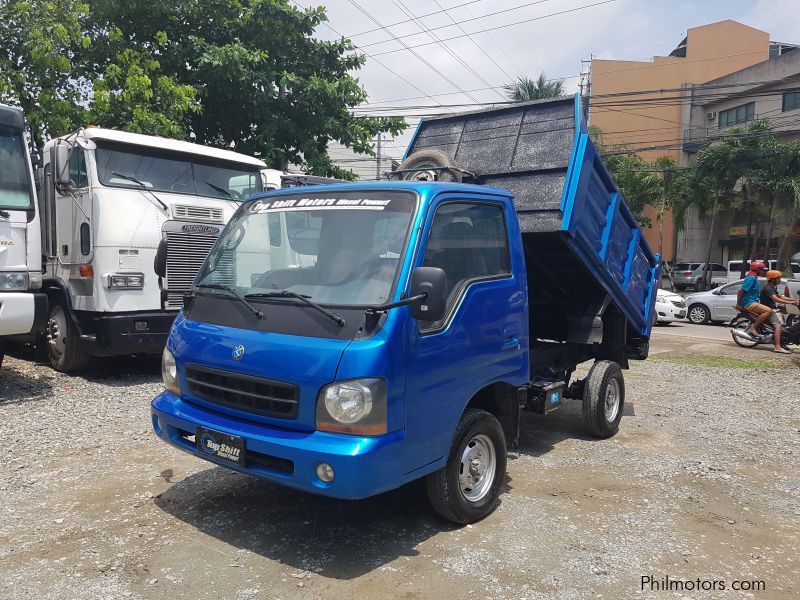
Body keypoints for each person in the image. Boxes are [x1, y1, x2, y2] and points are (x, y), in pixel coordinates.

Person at [759, 270, 800, 353]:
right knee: (778, 325)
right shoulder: (768, 288)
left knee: (783, 326)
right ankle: (777, 347)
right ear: (773, 279)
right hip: (770, 310)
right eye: (778, 278)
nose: (780, 280)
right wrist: (791, 303)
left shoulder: (773, 287)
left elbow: (781, 297)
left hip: (773, 309)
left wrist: (794, 300)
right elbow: (776, 299)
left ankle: (782, 343)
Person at [736, 261, 771, 338]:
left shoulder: (754, 278)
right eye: (762, 270)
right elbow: (741, 291)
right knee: (768, 311)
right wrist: (738, 304)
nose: (763, 272)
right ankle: (753, 327)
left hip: (753, 302)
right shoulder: (751, 278)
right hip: (749, 303)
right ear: (757, 270)